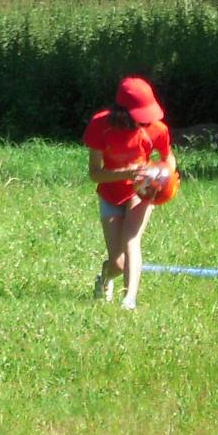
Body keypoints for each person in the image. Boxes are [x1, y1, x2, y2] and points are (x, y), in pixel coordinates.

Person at [82, 75, 175, 310]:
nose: (145, 122)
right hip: (110, 193)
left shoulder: (157, 129)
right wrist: (126, 173)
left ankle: (129, 299)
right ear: (122, 113)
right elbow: (95, 173)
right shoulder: (100, 125)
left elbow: (168, 158)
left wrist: (163, 177)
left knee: (132, 240)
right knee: (117, 263)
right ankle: (105, 276)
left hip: (141, 192)